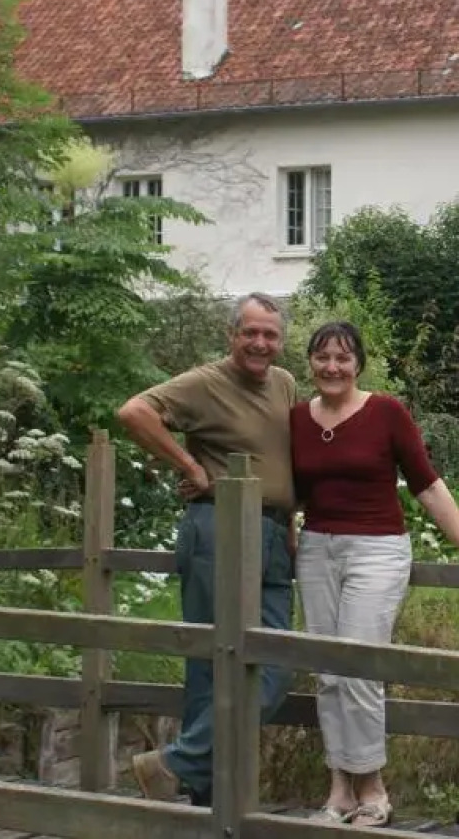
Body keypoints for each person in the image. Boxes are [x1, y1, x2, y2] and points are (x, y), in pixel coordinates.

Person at [292, 320, 459, 827]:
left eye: (343, 358)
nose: (332, 367)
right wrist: (285, 532)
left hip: (377, 549)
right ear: (310, 363)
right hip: (317, 550)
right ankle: (339, 790)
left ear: (358, 364)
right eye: (322, 357)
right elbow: (292, 491)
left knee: (361, 668)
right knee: (327, 673)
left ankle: (374, 789)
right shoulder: (297, 419)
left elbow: (426, 484)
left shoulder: (386, 412)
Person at [116, 293, 299, 808]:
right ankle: (206, 793)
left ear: (280, 340)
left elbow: (283, 456)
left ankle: (175, 766)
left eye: (270, 334)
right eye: (250, 333)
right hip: (218, 526)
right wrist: (191, 468)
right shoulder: (204, 382)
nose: (260, 343)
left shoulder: (285, 383)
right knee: (211, 662)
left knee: (276, 660)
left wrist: (291, 516)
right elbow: (134, 412)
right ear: (231, 335)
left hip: (274, 534)